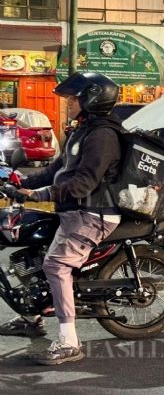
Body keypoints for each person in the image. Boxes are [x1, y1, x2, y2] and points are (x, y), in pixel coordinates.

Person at [0, 72, 122, 365]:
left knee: (55, 264)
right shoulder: (82, 131)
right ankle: (31, 317)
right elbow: (56, 170)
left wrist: (36, 195)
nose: (68, 103)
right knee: (29, 251)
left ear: (91, 99)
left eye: (72, 99)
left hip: (93, 213)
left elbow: (82, 184)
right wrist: (21, 183)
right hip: (71, 209)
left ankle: (69, 342)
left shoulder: (103, 136)